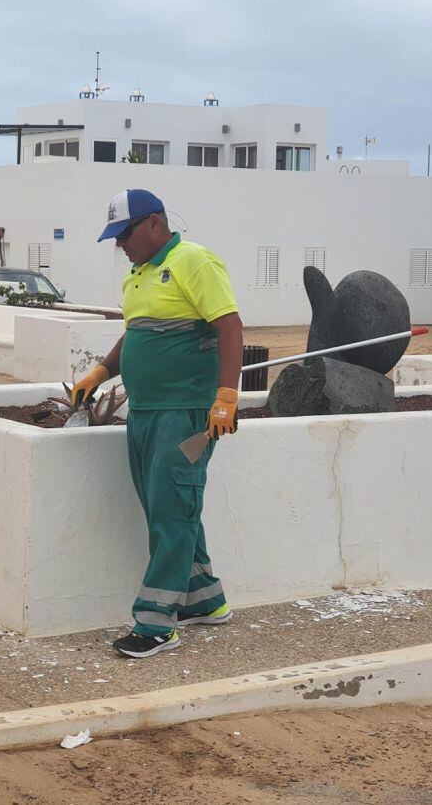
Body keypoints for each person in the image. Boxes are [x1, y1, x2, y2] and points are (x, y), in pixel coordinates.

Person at [71, 189, 244, 659]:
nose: (119, 244)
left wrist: (227, 395)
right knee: (165, 505)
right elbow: (137, 334)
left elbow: (229, 326)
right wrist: (102, 371)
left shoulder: (193, 261)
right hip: (146, 412)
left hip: (185, 414)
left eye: (124, 234)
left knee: (172, 507)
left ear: (153, 223)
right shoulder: (139, 275)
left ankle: (156, 622)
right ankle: (204, 599)